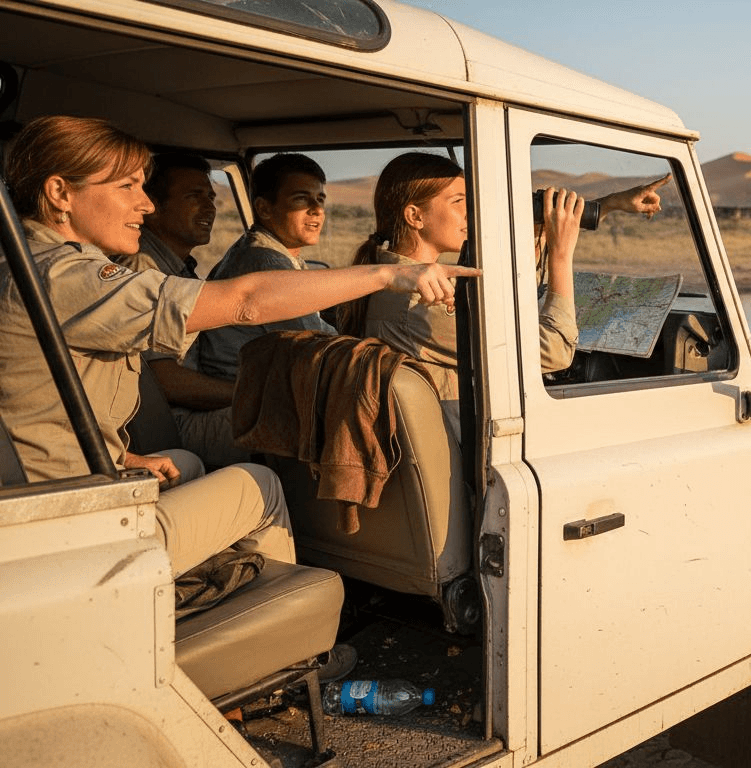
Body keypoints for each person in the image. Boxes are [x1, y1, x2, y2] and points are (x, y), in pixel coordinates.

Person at [0, 115, 480, 579]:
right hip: (67, 521)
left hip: (53, 485)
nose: (145, 205)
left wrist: (120, 458)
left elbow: (32, 409)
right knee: (261, 486)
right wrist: (387, 274)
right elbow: (246, 301)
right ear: (60, 193)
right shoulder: (67, 277)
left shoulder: (27, 263)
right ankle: (286, 626)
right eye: (127, 187)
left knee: (185, 464)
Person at [337, 152, 670, 416]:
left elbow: (509, 297)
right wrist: (560, 254)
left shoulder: (391, 279)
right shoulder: (421, 302)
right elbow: (554, 353)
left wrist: (608, 205)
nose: (470, 212)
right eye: (458, 202)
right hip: (462, 454)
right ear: (415, 216)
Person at [115, 152, 246, 467]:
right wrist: (248, 394)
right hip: (170, 425)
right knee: (288, 418)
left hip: (187, 414)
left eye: (210, 197)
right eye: (194, 196)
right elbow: (166, 381)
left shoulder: (178, 268)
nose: (210, 207)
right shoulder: (144, 269)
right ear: (154, 208)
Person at [196, 152, 336, 381]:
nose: (317, 209)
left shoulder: (262, 250)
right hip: (242, 390)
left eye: (320, 199)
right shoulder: (266, 262)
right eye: (301, 199)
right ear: (264, 209)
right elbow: (317, 347)